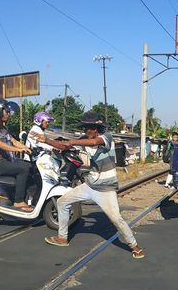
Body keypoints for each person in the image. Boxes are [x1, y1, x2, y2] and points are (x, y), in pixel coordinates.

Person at [38, 111, 145, 259]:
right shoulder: (83, 140)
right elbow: (63, 146)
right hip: (90, 185)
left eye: (92, 128)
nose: (89, 131)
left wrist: (72, 142)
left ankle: (135, 246)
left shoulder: (106, 137)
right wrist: (46, 140)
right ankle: (62, 238)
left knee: (116, 219)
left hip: (106, 189)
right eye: (87, 128)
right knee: (62, 202)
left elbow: (94, 142)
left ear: (98, 128)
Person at [0, 100, 33, 211]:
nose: (9, 114)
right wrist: (18, 150)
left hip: (6, 160)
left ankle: (26, 197)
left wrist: (25, 148)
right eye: (7, 111)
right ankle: (18, 201)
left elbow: (14, 141)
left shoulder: (3, 128)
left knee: (30, 166)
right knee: (23, 169)